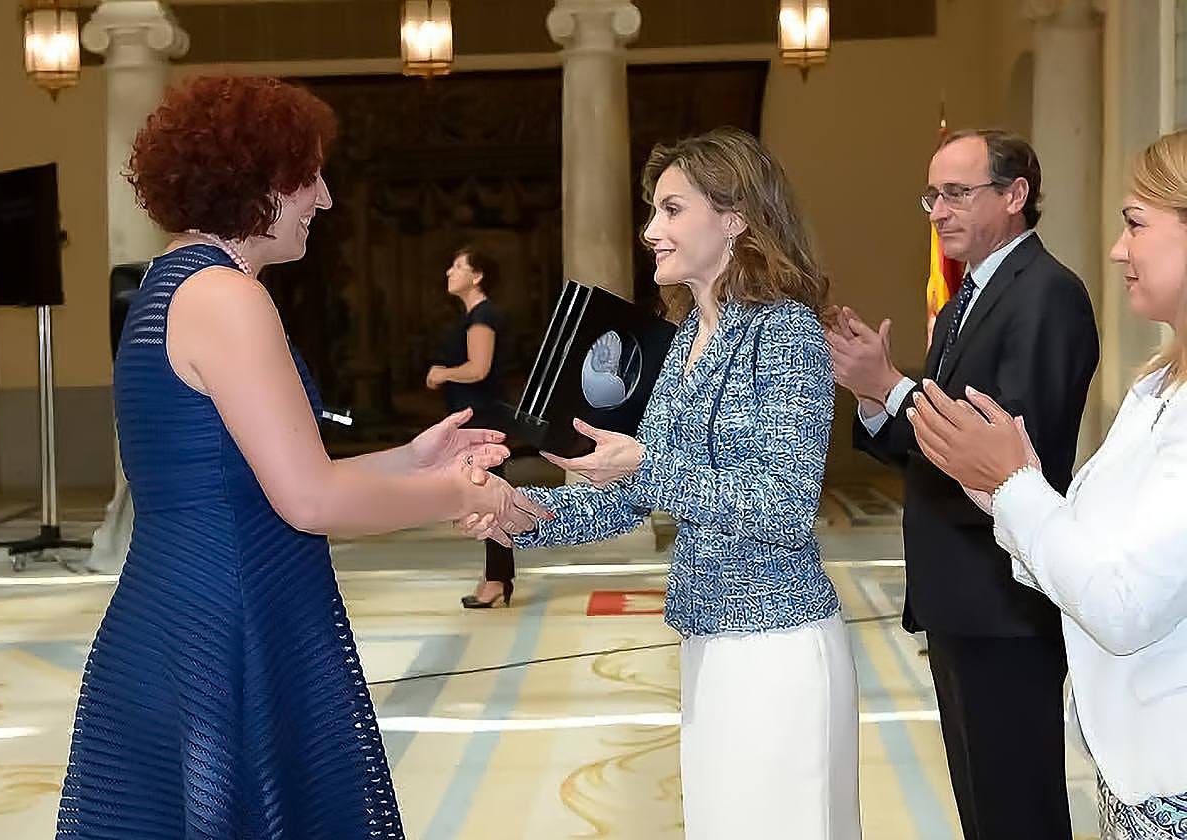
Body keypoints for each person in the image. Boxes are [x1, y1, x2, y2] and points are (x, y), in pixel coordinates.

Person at [55, 75, 548, 839]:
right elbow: (309, 500)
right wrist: (461, 493)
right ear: (253, 179)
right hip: (234, 622)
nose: (325, 198)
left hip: (184, 608)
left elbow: (249, 479)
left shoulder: (171, 282)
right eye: (308, 176)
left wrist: (412, 458)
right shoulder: (227, 298)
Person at [467, 127, 860, 839]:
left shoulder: (786, 334)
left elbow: (782, 505)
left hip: (777, 645)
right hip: (707, 636)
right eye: (654, 210)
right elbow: (633, 496)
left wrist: (644, 464)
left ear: (735, 218)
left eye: (672, 210)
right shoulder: (683, 342)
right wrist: (523, 513)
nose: (651, 230)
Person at [908, 129, 1187, 840]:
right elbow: (1083, 532)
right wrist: (1000, 484)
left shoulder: (1048, 295)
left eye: (1136, 224)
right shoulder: (1156, 384)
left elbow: (1124, 604)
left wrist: (1009, 484)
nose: (1118, 249)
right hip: (1136, 766)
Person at [825, 129, 1099, 840]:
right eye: (932, 196)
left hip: (1004, 598)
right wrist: (875, 397)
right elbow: (931, 451)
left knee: (1018, 811)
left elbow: (1004, 446)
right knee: (984, 812)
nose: (938, 212)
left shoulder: (1048, 294)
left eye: (956, 193)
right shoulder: (963, 300)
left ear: (1015, 195)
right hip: (959, 596)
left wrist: (895, 385)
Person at [426, 246, 516, 609]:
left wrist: (442, 373)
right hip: (476, 418)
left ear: (477, 276)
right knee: (483, 497)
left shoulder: (483, 316)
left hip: (483, 421)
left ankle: (496, 578)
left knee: (488, 497)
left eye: (458, 266)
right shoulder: (474, 315)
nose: (450, 271)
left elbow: (479, 368)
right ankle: (496, 576)